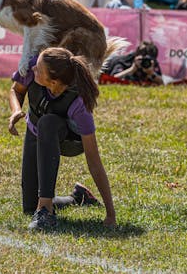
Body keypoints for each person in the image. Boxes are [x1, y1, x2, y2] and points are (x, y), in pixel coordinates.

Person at [9, 47, 116, 230]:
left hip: (70, 142)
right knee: (29, 206)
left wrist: (110, 213)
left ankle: (46, 212)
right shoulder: (33, 65)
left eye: (39, 69)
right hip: (37, 131)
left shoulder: (78, 103)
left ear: (53, 81)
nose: (34, 68)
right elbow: (15, 90)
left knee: (48, 122)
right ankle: (78, 197)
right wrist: (16, 110)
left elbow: (94, 160)